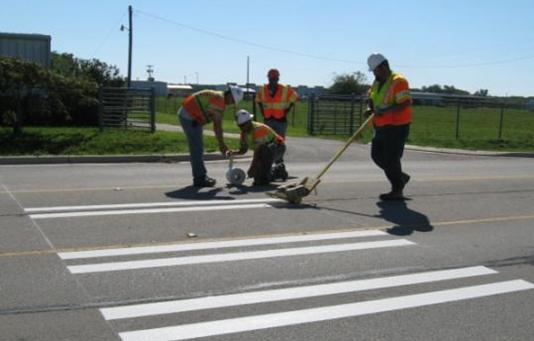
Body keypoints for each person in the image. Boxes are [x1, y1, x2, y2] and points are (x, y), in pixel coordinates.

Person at [366, 53, 412, 200]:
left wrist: (384, 110)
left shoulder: (399, 81)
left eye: (375, 70)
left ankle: (397, 189)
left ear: (384, 66)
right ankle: (399, 177)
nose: (374, 73)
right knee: (377, 156)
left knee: (392, 159)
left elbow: (404, 103)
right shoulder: (377, 82)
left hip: (397, 126)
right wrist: (369, 108)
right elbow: (371, 98)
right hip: (380, 125)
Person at [178, 86, 244, 187]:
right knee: (197, 148)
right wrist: (222, 144)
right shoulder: (219, 101)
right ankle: (200, 178)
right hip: (188, 116)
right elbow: (217, 126)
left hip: (191, 115)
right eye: (232, 101)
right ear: (229, 94)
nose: (231, 104)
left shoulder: (219, 96)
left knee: (197, 147)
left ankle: (200, 176)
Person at [255, 68, 298, 176]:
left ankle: (279, 166)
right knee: (268, 144)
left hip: (280, 120)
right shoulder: (262, 89)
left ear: (278, 78)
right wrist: (263, 112)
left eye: (275, 78)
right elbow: (258, 101)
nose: (273, 80)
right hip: (268, 120)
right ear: (268, 78)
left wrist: (286, 110)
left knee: (279, 144)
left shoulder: (285, 89)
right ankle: (268, 167)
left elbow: (295, 97)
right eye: (271, 78)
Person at [230, 109, 287, 186]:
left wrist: (252, 168)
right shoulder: (244, 133)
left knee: (261, 175)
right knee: (258, 177)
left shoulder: (259, 129)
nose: (241, 128)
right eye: (239, 126)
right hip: (266, 151)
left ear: (249, 122)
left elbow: (258, 152)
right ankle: (278, 171)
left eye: (243, 125)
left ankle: (274, 172)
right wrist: (233, 153)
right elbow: (243, 149)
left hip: (278, 148)